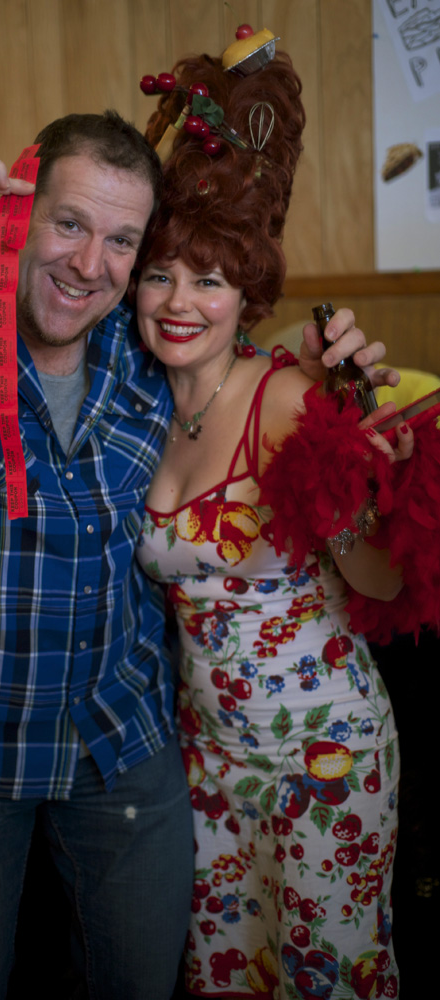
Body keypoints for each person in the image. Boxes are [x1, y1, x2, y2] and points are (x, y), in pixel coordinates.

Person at [0, 110, 397, 999]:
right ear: (19, 213)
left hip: (127, 745)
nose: (89, 263)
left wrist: (329, 383)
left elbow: (236, 373)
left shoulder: (140, 344)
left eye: (121, 242)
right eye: (69, 224)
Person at [133, 51, 411, 998]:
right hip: (207, 760)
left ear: (245, 293)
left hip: (325, 753)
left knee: (327, 982)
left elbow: (379, 580)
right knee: (223, 979)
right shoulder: (137, 411)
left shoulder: (285, 401)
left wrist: (347, 486)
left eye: (209, 281)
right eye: (160, 275)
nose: (180, 303)